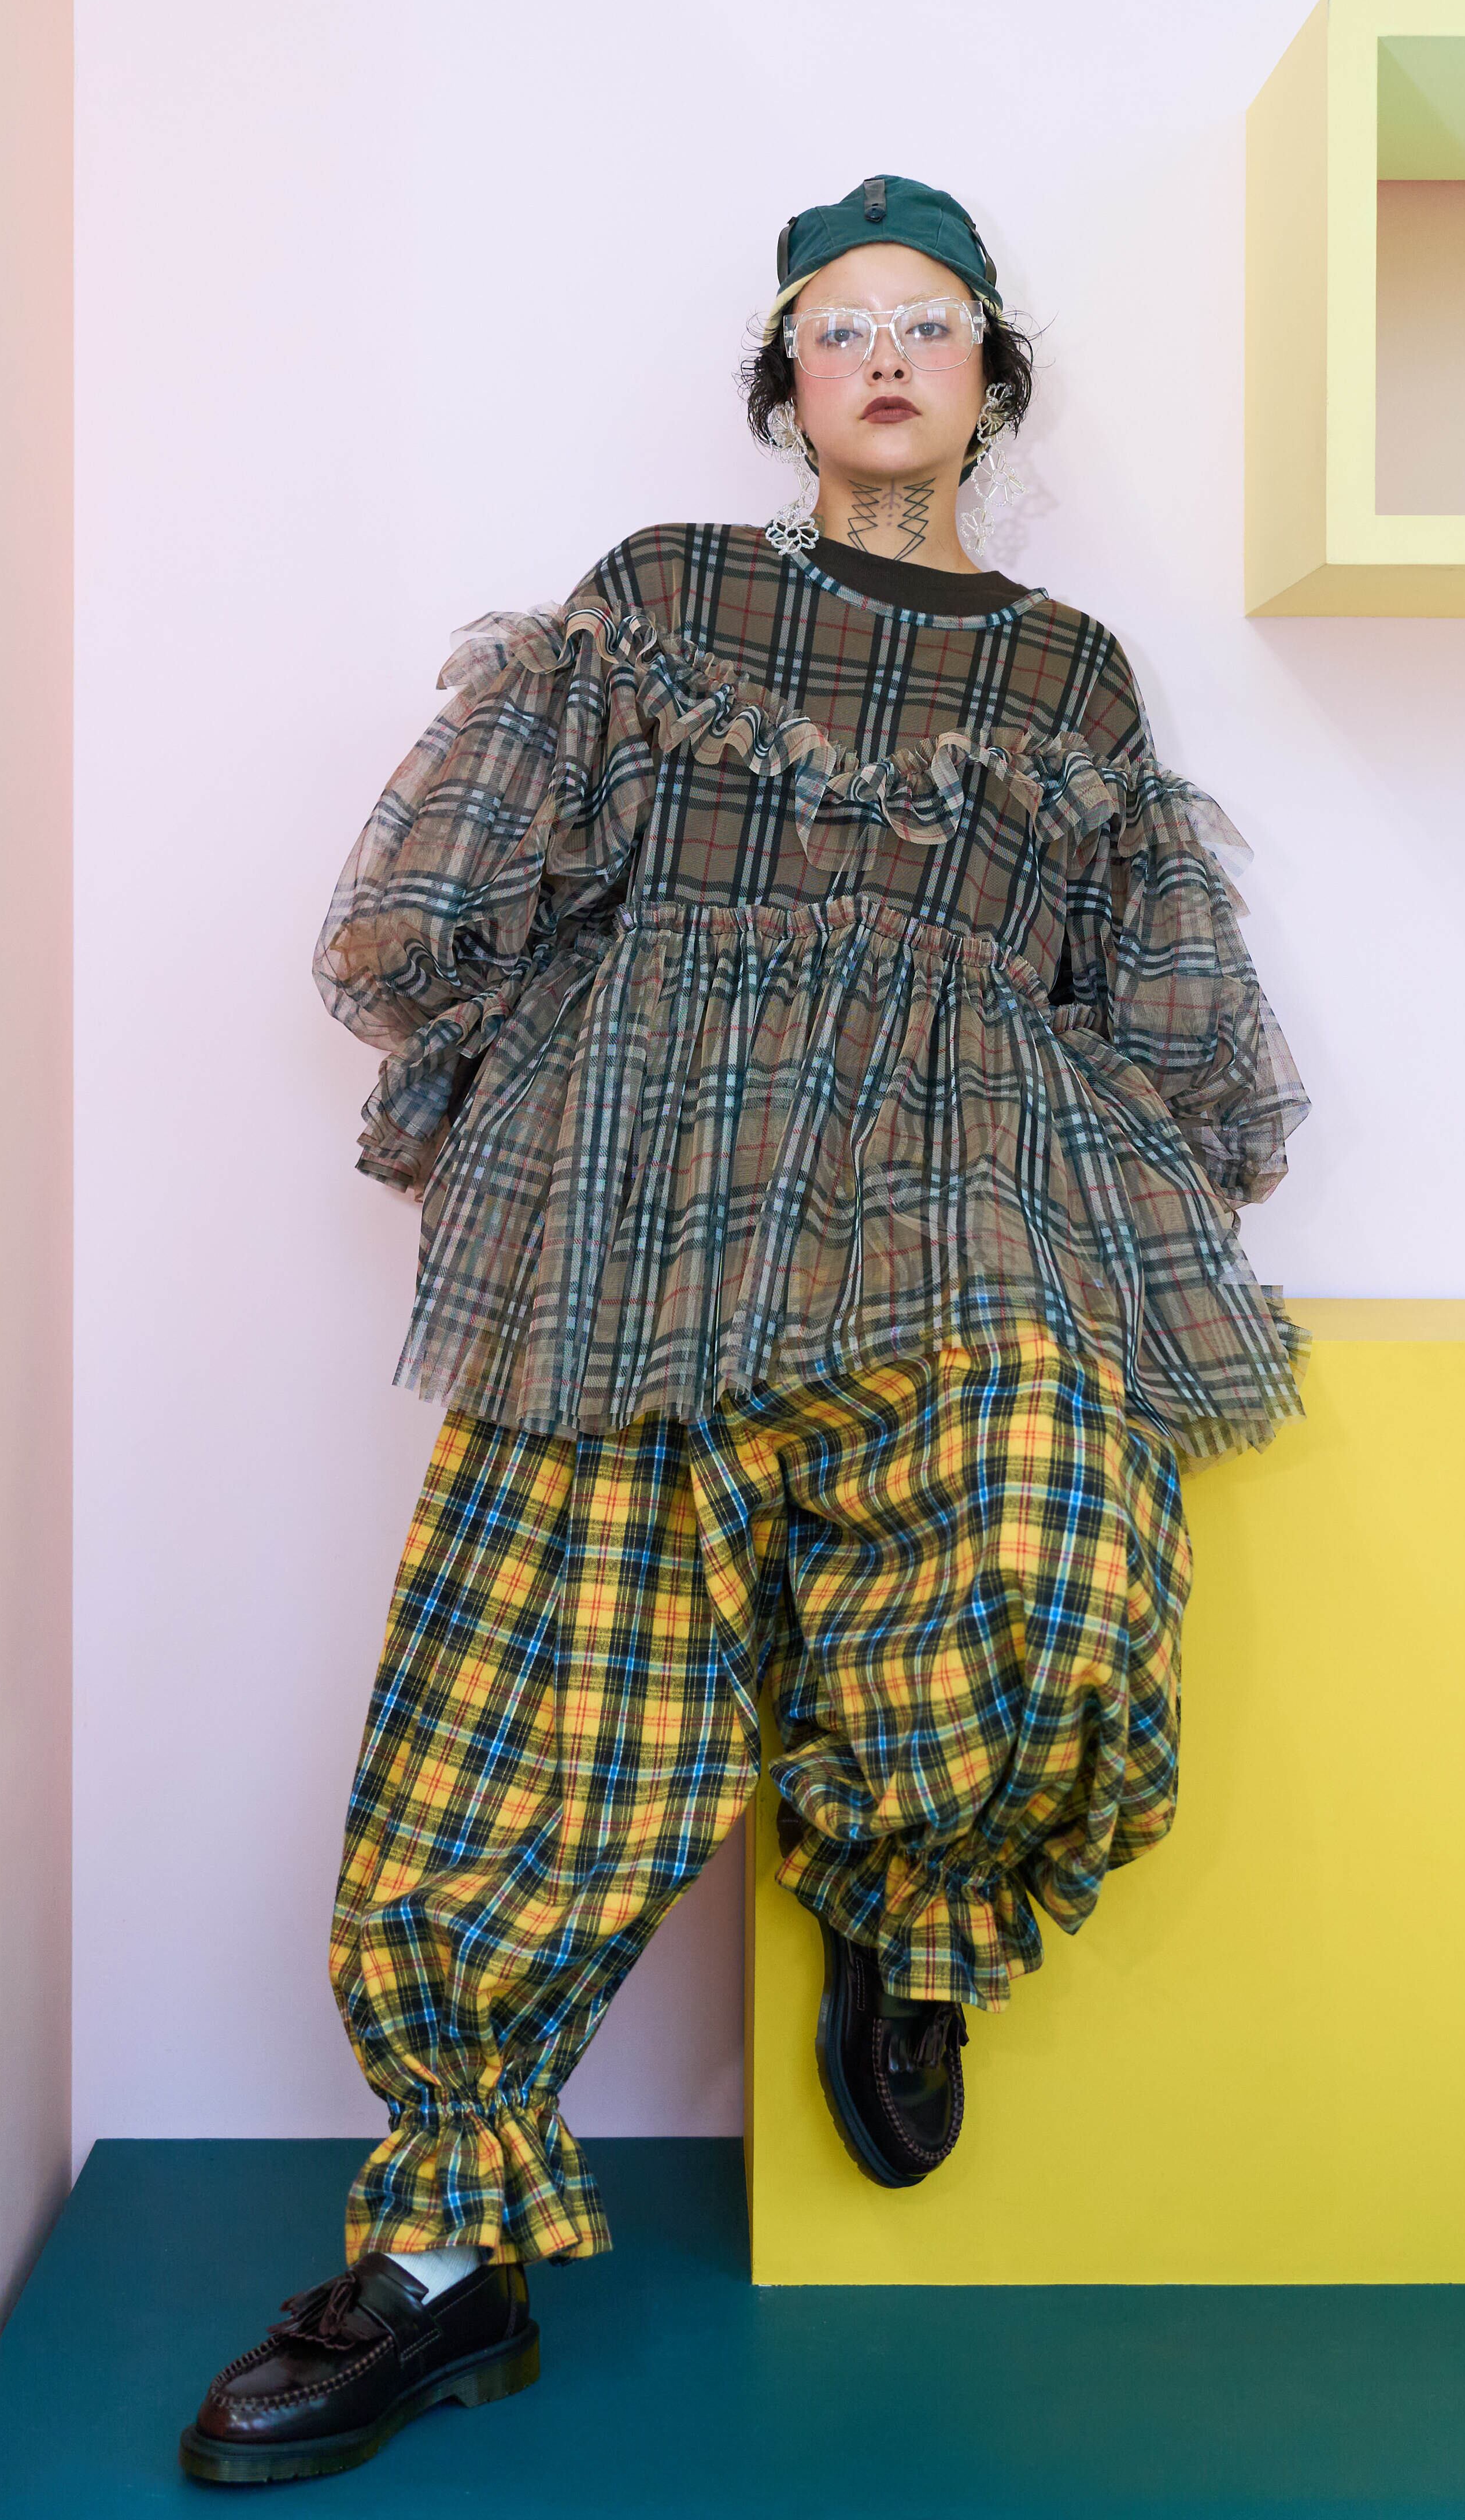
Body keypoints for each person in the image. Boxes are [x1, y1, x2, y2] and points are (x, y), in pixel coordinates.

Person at [178, 177, 1309, 2485]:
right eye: (838, 324)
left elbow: (1159, 988)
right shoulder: (664, 596)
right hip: (653, 1206)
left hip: (962, 1203)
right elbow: (452, 885)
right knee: (534, 1688)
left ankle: (909, 1913)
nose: (884, 354)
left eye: (930, 321)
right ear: (786, 379)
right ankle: (441, 2264)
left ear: (992, 376)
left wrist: (1172, 1161)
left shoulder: (1072, 676)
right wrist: (532, 1088)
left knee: (1054, 1546)